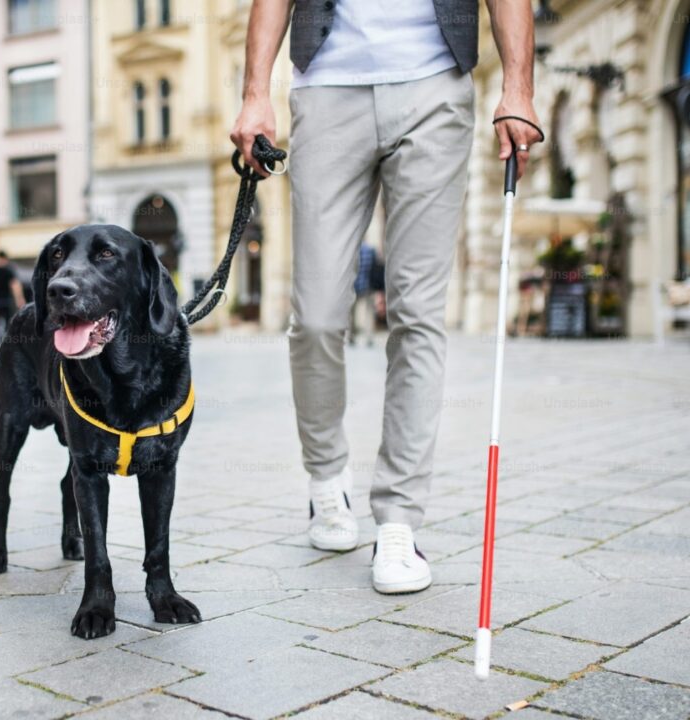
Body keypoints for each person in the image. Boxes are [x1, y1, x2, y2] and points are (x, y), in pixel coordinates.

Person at [232, 0, 543, 594]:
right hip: (326, 87)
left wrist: (518, 87)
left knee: (418, 314)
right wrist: (255, 93)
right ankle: (326, 478)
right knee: (318, 315)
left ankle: (399, 519)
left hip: (437, 87)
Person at [350, 242, 378, 346]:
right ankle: (369, 336)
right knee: (369, 313)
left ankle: (351, 336)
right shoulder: (371, 250)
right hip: (369, 286)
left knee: (352, 313)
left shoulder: (353, 250)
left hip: (355, 285)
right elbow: (375, 268)